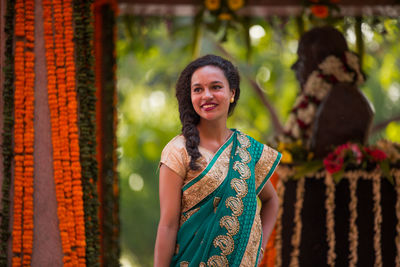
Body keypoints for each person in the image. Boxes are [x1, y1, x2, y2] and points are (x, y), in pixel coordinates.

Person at [154, 54, 281, 267]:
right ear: (190, 96)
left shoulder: (247, 149)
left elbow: (271, 200)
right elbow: (167, 226)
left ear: (232, 93)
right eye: (198, 89)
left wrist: (259, 246)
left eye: (215, 87)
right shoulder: (177, 151)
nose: (207, 96)